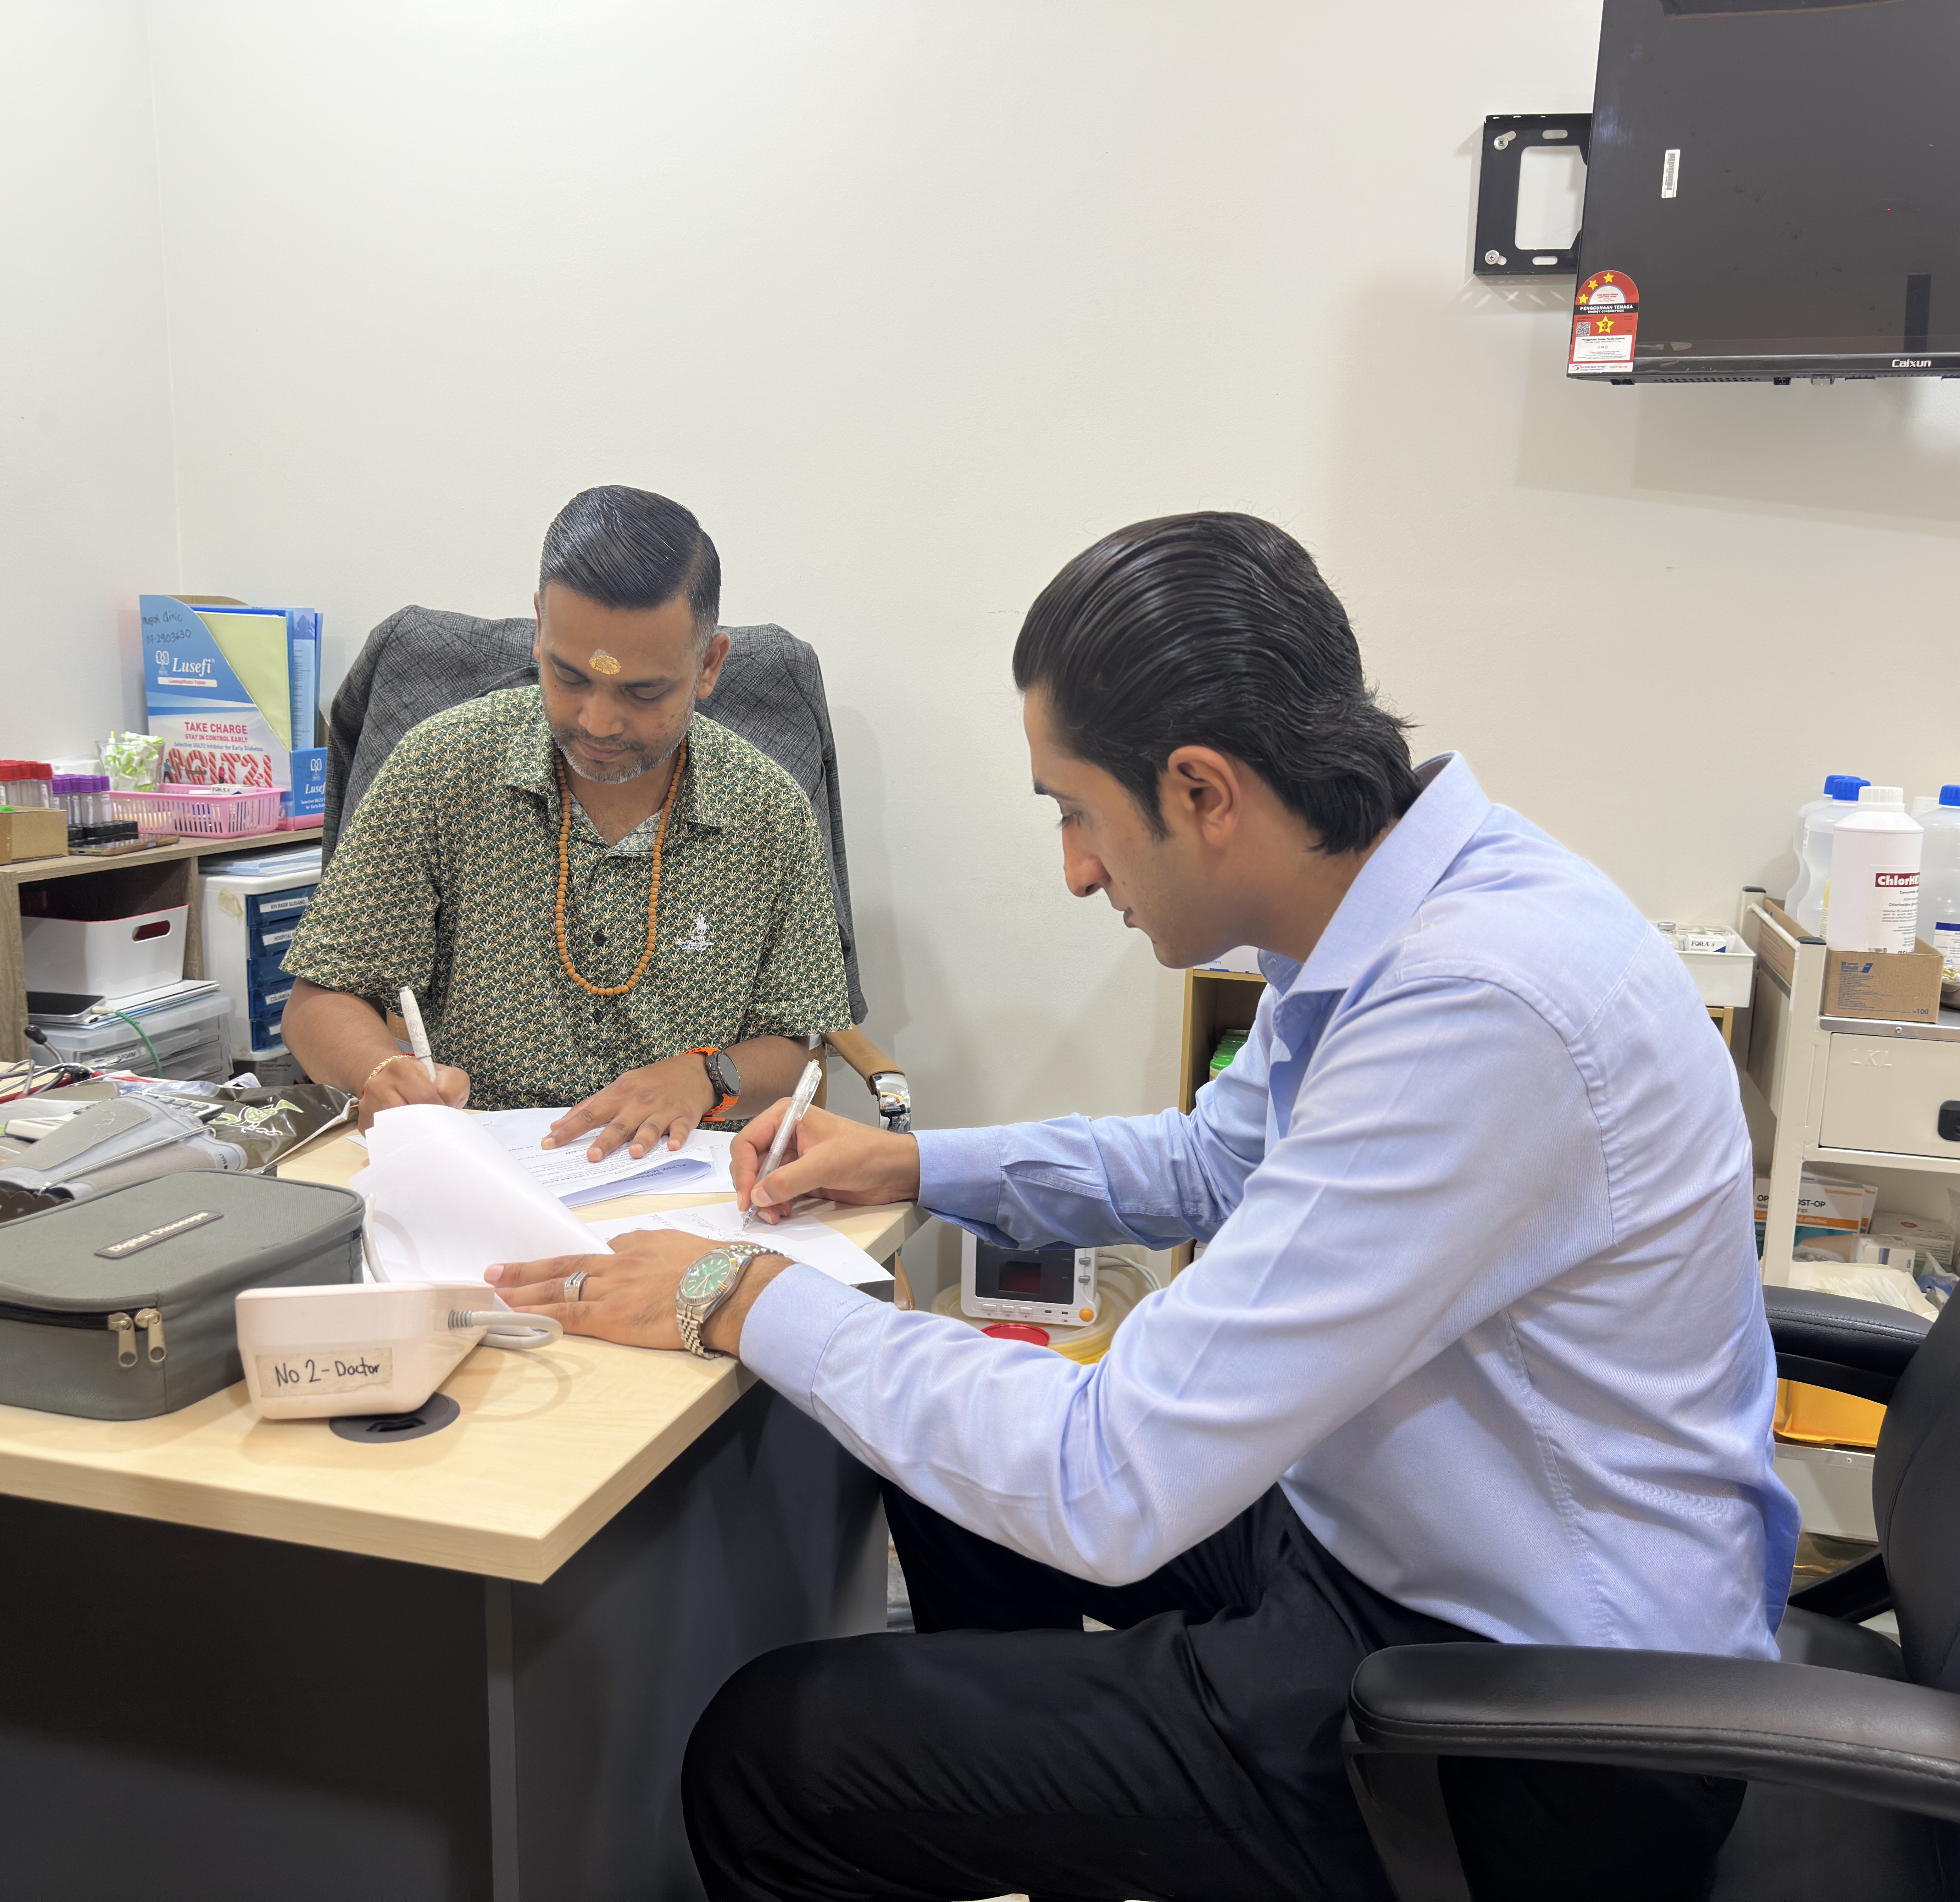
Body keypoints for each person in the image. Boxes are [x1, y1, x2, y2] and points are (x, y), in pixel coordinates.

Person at [486, 511, 1797, 1900]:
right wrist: (916, 1168)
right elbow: (1208, 1166)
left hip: (1540, 1740)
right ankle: (1056, 1817)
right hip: (1404, 1552)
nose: (1075, 868)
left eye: (1076, 812)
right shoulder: (1402, 903)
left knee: (774, 1754)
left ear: (1203, 791)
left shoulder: (1477, 1014)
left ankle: (1045, 1797)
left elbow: (1104, 1483)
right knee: (941, 1478)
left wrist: (736, 1297)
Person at [280, 486, 854, 1162]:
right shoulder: (441, 769)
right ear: (539, 629)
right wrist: (382, 1073)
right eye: (569, 676)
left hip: (690, 1184)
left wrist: (704, 1076)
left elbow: (797, 1047)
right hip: (482, 1174)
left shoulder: (768, 811)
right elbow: (320, 1001)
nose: (598, 722)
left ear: (708, 665)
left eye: (643, 692)